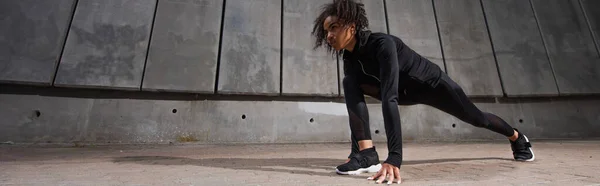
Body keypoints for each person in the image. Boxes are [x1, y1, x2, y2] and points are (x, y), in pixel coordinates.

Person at [311, 0, 535, 184]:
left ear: (351, 25)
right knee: (350, 82)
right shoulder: (350, 59)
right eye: (326, 31)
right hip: (404, 91)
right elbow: (356, 103)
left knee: (476, 118)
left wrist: (395, 158)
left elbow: (390, 97)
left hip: (432, 85)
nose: (329, 36)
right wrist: (355, 151)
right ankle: (366, 154)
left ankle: (517, 137)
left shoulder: (382, 44)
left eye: (334, 27)